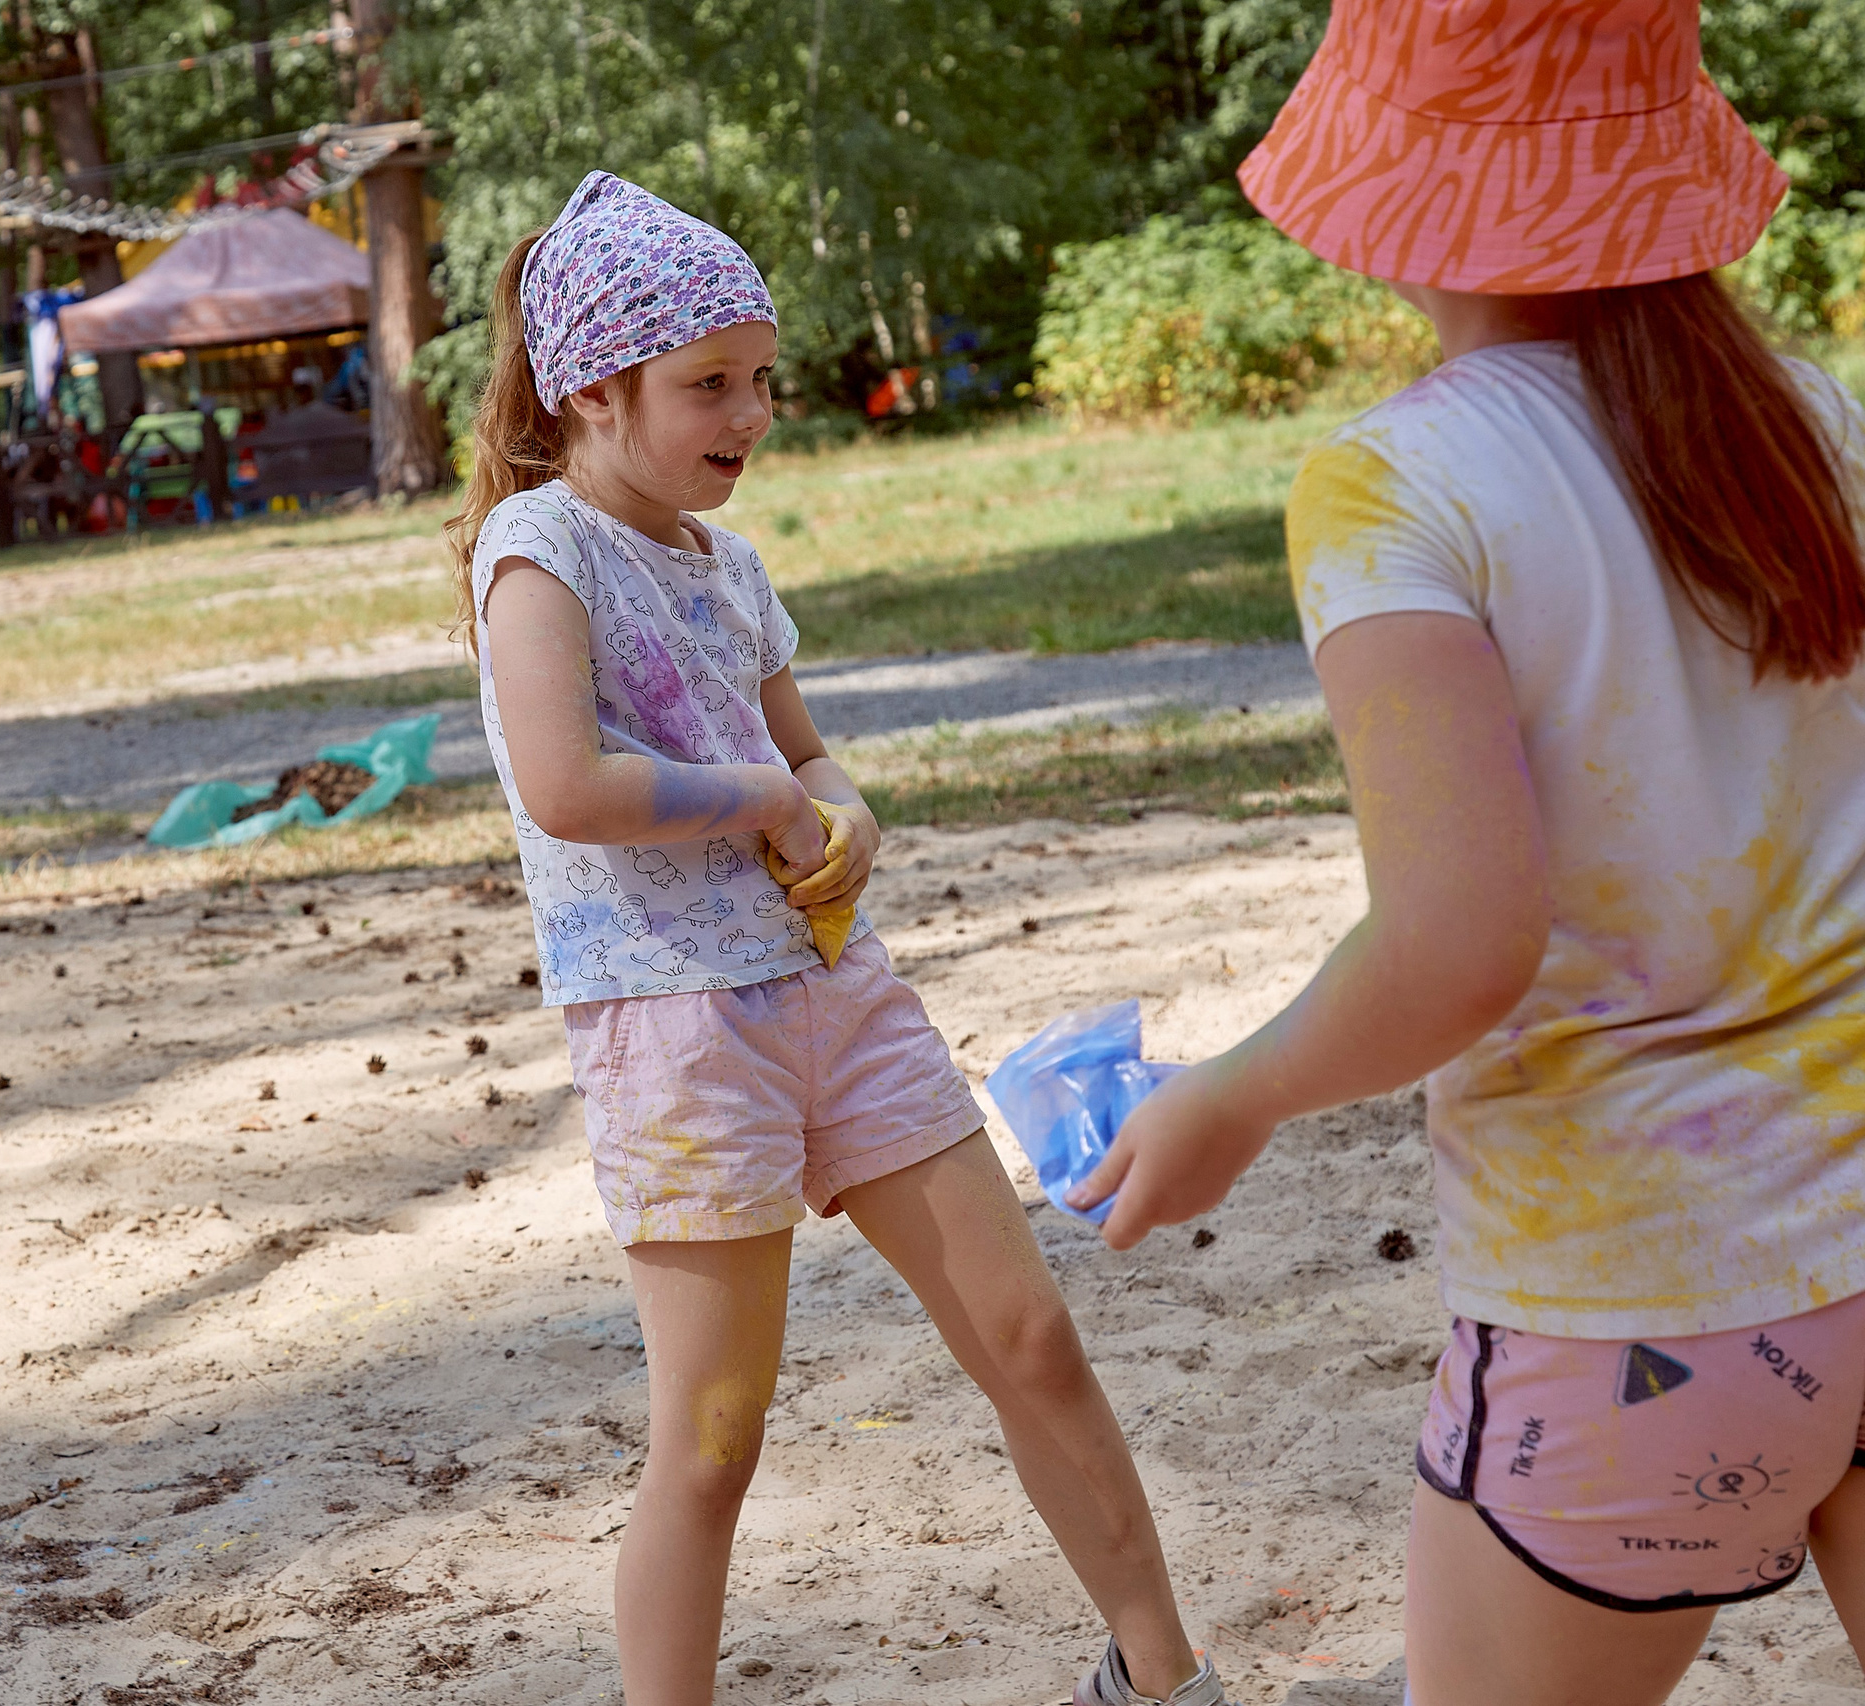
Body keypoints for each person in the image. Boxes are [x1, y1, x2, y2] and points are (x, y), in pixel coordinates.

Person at [1065, 4, 1865, 1702]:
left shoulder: (1397, 483)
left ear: (1398, 186)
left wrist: (1232, 1095)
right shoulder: (1816, 422)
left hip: (1646, 1296)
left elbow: (1456, 943)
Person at [443, 171, 1225, 1706]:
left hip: (837, 995)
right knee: (712, 1438)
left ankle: (1162, 1681)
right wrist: (759, 797)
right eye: (710, 384)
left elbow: (809, 758)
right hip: (676, 1032)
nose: (752, 413)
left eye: (763, 378)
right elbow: (565, 785)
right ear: (592, 389)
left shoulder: (730, 566)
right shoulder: (539, 548)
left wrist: (846, 812)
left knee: (1032, 1338)